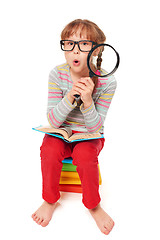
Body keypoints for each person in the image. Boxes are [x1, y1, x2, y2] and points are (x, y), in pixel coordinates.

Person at [32, 19, 117, 235]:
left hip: (90, 135)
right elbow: (53, 121)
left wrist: (88, 101)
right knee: (49, 150)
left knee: (85, 156)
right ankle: (50, 200)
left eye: (83, 44)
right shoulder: (57, 74)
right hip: (62, 133)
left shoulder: (107, 82)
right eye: (68, 44)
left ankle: (93, 205)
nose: (74, 51)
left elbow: (97, 126)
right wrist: (69, 96)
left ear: (97, 50)